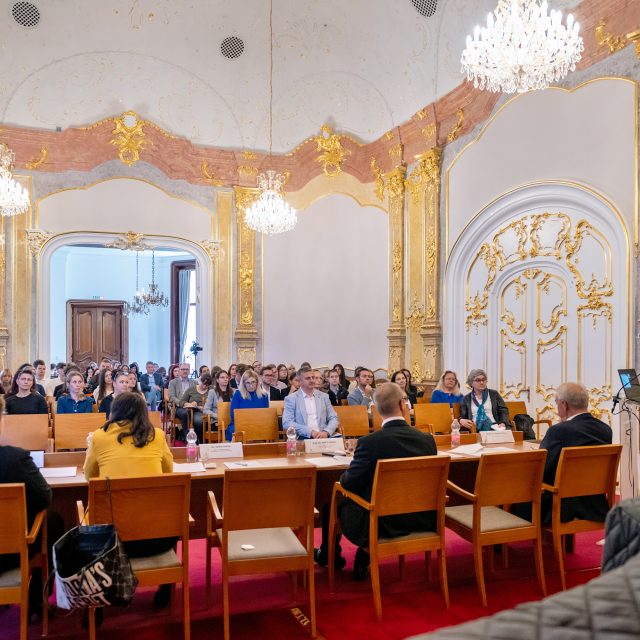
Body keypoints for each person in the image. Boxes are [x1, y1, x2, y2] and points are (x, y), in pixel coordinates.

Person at [317, 382, 438, 579]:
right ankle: (362, 555)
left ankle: (331, 557)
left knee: (331, 506)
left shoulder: (369, 442)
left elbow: (348, 484)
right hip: (421, 517)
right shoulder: (427, 440)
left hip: (380, 522)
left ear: (377, 410)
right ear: (402, 405)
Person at [84, 392, 175, 609]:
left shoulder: (99, 437)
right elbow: (168, 472)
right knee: (170, 513)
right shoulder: (157, 435)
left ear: (114, 411)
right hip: (158, 537)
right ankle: (166, 588)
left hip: (111, 543)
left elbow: (90, 477)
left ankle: (98, 600)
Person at [0, 395, 64, 620]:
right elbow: (45, 498)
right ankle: (37, 600)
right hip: (10, 551)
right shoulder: (14, 458)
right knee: (53, 521)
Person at [539, 382, 612, 522]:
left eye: (556, 402)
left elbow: (542, 470)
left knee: (512, 501)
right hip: (595, 506)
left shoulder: (559, 431)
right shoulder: (605, 429)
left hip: (561, 508)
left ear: (564, 404)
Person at [282, 366, 338, 439]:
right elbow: (287, 423)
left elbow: (333, 417)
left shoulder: (324, 397)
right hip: (303, 437)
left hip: (324, 436)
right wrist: (310, 432)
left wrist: (326, 432)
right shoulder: (291, 399)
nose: (312, 380)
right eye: (308, 378)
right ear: (299, 381)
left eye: (313, 377)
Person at [227, 369, 269, 441]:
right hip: (240, 424)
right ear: (243, 384)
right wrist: (247, 423)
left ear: (257, 382)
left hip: (258, 424)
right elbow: (233, 414)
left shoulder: (264, 395)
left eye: (253, 382)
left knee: (267, 428)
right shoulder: (238, 394)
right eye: (248, 383)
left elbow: (265, 415)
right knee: (234, 430)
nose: (251, 385)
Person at [179, 373, 212, 442]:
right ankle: (200, 440)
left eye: (206, 385)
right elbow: (181, 402)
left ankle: (207, 440)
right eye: (203, 384)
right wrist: (190, 404)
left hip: (209, 411)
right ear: (200, 381)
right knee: (198, 420)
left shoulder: (211, 390)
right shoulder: (191, 389)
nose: (204, 387)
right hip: (196, 411)